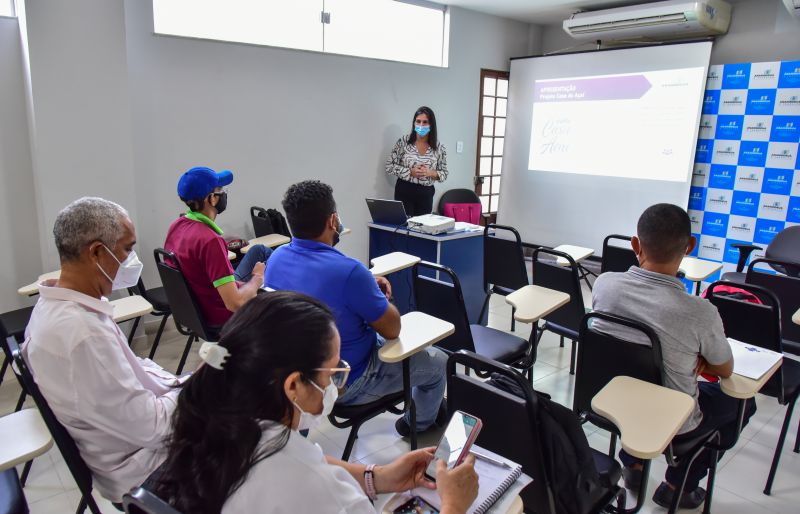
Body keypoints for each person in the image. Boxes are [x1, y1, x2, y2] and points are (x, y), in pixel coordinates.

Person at [153, 291, 479, 514]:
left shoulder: (212, 425)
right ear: (294, 385)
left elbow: (311, 459)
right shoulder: (323, 493)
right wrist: (453, 505)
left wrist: (378, 477)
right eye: (331, 373)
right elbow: (311, 474)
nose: (334, 385)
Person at [592, 203, 756, 510]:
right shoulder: (700, 312)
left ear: (635, 245)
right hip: (671, 417)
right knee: (743, 402)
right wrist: (699, 359)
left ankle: (634, 464)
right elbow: (725, 369)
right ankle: (678, 484)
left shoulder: (605, 285)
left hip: (610, 399)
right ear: (690, 246)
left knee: (640, 378)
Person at [23, 197, 182, 503]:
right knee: (260, 430)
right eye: (127, 249)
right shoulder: (81, 333)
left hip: (131, 444)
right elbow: (153, 427)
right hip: (148, 470)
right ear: (97, 252)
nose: (132, 260)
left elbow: (124, 370)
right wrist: (193, 389)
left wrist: (177, 383)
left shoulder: (57, 306)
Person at [265, 180, 448, 436]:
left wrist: (363, 287)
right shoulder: (350, 271)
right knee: (439, 362)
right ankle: (415, 425)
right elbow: (393, 329)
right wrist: (379, 297)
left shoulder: (276, 259)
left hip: (300, 379)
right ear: (333, 220)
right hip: (350, 382)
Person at [164, 166, 270, 331]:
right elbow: (235, 303)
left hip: (204, 302)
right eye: (221, 190)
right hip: (225, 316)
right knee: (278, 297)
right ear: (212, 199)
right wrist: (257, 278)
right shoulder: (210, 240)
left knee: (259, 250)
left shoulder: (177, 225)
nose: (224, 194)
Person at [386, 106, 448, 216]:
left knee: (422, 229)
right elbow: (389, 166)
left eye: (425, 122)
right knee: (404, 229)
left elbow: (444, 174)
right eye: (418, 121)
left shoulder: (439, 147)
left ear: (431, 125)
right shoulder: (404, 142)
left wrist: (430, 173)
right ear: (414, 123)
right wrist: (410, 172)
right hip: (404, 190)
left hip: (426, 193)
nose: (421, 125)